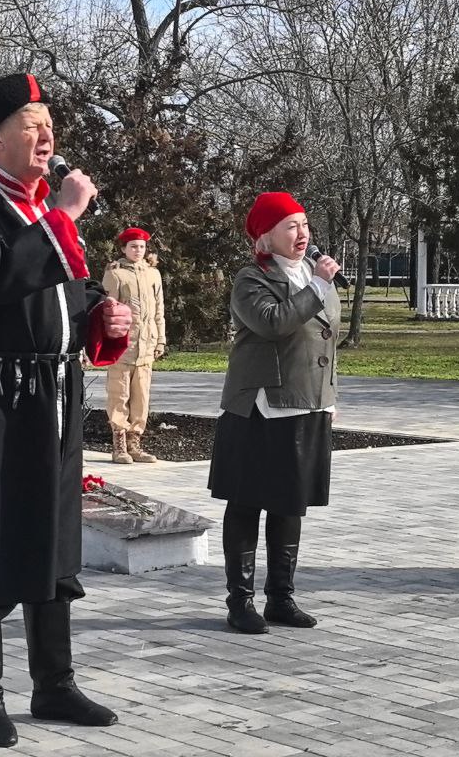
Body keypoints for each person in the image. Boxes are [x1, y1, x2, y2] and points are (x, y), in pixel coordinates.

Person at [0, 74, 132, 748]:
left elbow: (66, 289)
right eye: (32, 124)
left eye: (50, 125)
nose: (47, 137)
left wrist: (101, 313)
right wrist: (62, 217)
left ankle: (55, 684)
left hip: (55, 393)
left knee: (53, 539)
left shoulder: (45, 211)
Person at [208, 192, 342, 633]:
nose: (302, 234)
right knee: (247, 503)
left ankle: (281, 598)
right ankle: (240, 601)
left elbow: (323, 341)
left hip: (308, 402)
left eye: (305, 224)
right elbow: (272, 322)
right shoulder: (252, 277)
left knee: (290, 503)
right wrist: (318, 286)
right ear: (266, 235)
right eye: (291, 226)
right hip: (262, 407)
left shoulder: (310, 272)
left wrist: (328, 395)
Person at [102, 227, 166, 464]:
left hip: (146, 344)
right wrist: (108, 340)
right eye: (133, 247)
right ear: (123, 249)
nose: (138, 251)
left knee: (141, 395)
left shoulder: (153, 274)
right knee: (119, 393)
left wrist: (161, 339)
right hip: (123, 345)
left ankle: (135, 441)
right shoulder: (116, 274)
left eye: (141, 246)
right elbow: (107, 310)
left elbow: (159, 309)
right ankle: (119, 442)